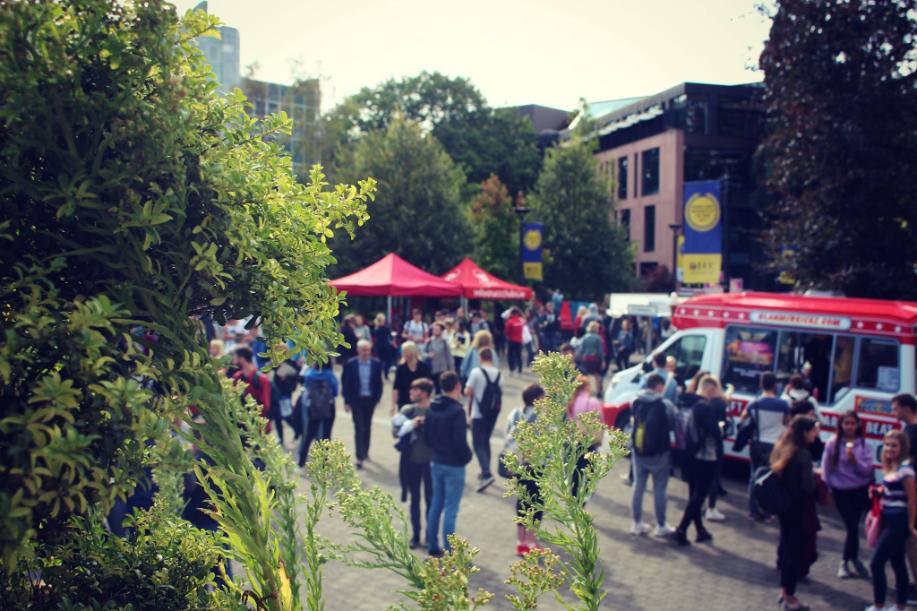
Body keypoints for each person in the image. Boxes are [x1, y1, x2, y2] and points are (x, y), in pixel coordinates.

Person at [770, 415, 819, 611]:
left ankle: (784, 592)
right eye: (814, 430)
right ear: (805, 432)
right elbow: (807, 487)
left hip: (784, 506)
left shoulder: (783, 448)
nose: (816, 434)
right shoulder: (803, 455)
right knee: (794, 552)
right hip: (798, 508)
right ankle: (790, 597)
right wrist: (816, 479)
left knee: (786, 546)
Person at [868, 429, 917, 611]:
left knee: (876, 563)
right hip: (887, 516)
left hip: (899, 519)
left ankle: (879, 605)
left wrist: (911, 524)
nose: (889, 449)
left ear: (903, 447)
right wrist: (880, 491)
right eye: (887, 445)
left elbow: (913, 499)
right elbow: (894, 491)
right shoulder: (892, 466)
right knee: (897, 562)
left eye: (894, 445)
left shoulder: (906, 470)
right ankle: (900, 606)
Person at [424, 372, 473, 557]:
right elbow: (460, 442)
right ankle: (450, 549)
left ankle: (432, 545)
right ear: (458, 386)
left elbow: (427, 437)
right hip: (454, 465)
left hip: (436, 461)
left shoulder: (432, 407)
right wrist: (467, 456)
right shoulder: (457, 411)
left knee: (436, 504)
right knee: (451, 509)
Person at [672, 375, 724, 546]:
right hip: (704, 456)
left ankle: (700, 530)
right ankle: (682, 528)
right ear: (710, 389)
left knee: (694, 494)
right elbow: (714, 433)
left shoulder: (686, 401)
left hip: (687, 452)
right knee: (699, 496)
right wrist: (721, 429)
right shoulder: (705, 407)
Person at [821, 410, 872, 579]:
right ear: (841, 425)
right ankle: (845, 562)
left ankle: (854, 558)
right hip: (841, 491)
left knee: (854, 527)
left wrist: (854, 461)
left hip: (859, 490)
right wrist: (827, 489)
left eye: (852, 423)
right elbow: (826, 468)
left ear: (858, 425)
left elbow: (867, 471)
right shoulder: (833, 443)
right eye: (846, 423)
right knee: (851, 526)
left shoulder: (864, 444)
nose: (849, 427)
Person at [629, 373, 677, 537]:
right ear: (659, 387)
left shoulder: (635, 401)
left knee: (638, 486)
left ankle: (636, 523)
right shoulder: (665, 404)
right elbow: (673, 424)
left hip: (639, 450)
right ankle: (661, 525)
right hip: (660, 453)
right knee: (660, 489)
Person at [392, 378, 435, 549]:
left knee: (431, 501)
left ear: (424, 393)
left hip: (431, 463)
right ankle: (416, 535)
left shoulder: (434, 410)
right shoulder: (408, 410)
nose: (410, 392)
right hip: (411, 462)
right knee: (414, 499)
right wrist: (411, 424)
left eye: (414, 390)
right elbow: (395, 432)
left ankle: (430, 536)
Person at [743, 372, 790, 521]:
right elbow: (787, 423)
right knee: (770, 478)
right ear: (775, 385)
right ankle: (768, 510)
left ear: (761, 384)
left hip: (756, 443)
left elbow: (743, 418)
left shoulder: (754, 403)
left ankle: (752, 509)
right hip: (774, 445)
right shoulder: (783, 405)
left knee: (754, 475)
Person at [505, 383, 545, 556]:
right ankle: (531, 541)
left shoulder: (515, 413)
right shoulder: (542, 418)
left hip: (519, 465)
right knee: (537, 504)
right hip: (537, 465)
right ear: (537, 400)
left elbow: (508, 437)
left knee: (522, 502)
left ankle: (520, 542)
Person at [341, 339, 383, 469]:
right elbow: (345, 383)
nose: (365, 352)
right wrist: (347, 401)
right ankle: (359, 457)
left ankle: (365, 451)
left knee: (368, 426)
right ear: (358, 350)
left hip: (370, 399)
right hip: (356, 400)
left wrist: (377, 399)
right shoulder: (350, 364)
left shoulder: (376, 364)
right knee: (359, 427)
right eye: (363, 350)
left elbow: (379, 383)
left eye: (367, 350)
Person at [465, 348, 502, 492]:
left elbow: (467, 392)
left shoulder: (476, 372)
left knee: (477, 443)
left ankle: (486, 474)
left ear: (480, 357)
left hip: (478, 413)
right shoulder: (498, 373)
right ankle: (484, 469)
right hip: (492, 414)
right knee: (485, 440)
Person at [892, 392, 917, 604]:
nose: (894, 412)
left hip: (912, 492)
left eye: (895, 408)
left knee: (912, 541)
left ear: (906, 409)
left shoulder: (912, 432)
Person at [568, 375, 604, 500]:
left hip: (576, 439)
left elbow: (570, 420)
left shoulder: (572, 401)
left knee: (576, 469)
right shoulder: (593, 402)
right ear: (587, 387)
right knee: (589, 469)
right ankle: (585, 496)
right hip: (589, 440)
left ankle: (574, 496)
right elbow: (601, 420)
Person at [297, 360, 338, 467]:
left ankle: (301, 462)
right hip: (328, 406)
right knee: (326, 435)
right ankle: (325, 463)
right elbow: (335, 391)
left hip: (313, 407)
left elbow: (304, 386)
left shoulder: (310, 374)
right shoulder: (330, 375)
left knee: (308, 435)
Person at [231, 346, 272, 431]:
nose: (233, 361)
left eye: (234, 358)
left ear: (241, 359)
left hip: (258, 428)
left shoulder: (262, 379)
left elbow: (266, 406)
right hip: (242, 426)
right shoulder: (237, 377)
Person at [270, 346, 302, 444]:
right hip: (275, 393)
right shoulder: (275, 364)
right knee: (277, 416)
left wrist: (286, 377)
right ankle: (281, 438)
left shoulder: (291, 363)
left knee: (286, 415)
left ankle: (299, 431)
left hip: (285, 394)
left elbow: (296, 377)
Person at [392, 341, 431, 415]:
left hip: (420, 402)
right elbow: (396, 387)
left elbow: (428, 386)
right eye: (403, 352)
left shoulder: (423, 367)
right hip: (403, 401)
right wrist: (393, 404)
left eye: (406, 352)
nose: (403, 354)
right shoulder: (401, 368)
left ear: (412, 352)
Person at [423, 322, 454, 392]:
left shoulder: (444, 342)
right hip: (432, 368)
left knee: (441, 387)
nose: (435, 331)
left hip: (442, 368)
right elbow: (422, 354)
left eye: (437, 330)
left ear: (441, 331)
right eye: (434, 330)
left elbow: (449, 356)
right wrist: (428, 355)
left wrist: (451, 369)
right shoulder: (429, 341)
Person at [575, 321, 604, 391]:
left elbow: (581, 349)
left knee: (586, 374)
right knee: (597, 375)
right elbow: (600, 350)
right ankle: (599, 390)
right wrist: (602, 360)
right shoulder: (598, 338)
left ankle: (586, 390)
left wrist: (578, 357)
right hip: (595, 359)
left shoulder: (585, 337)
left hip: (586, 359)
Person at [373, 313, 396, 380]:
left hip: (380, 346)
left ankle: (381, 375)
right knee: (387, 361)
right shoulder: (385, 328)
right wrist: (393, 343)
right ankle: (385, 375)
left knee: (381, 362)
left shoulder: (376, 328)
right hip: (384, 346)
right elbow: (391, 337)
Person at [503, 307, 525, 376]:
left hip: (511, 340)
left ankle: (511, 370)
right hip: (519, 340)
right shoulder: (522, 321)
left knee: (510, 355)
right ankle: (520, 370)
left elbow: (506, 332)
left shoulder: (509, 321)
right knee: (519, 355)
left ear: (511, 313)